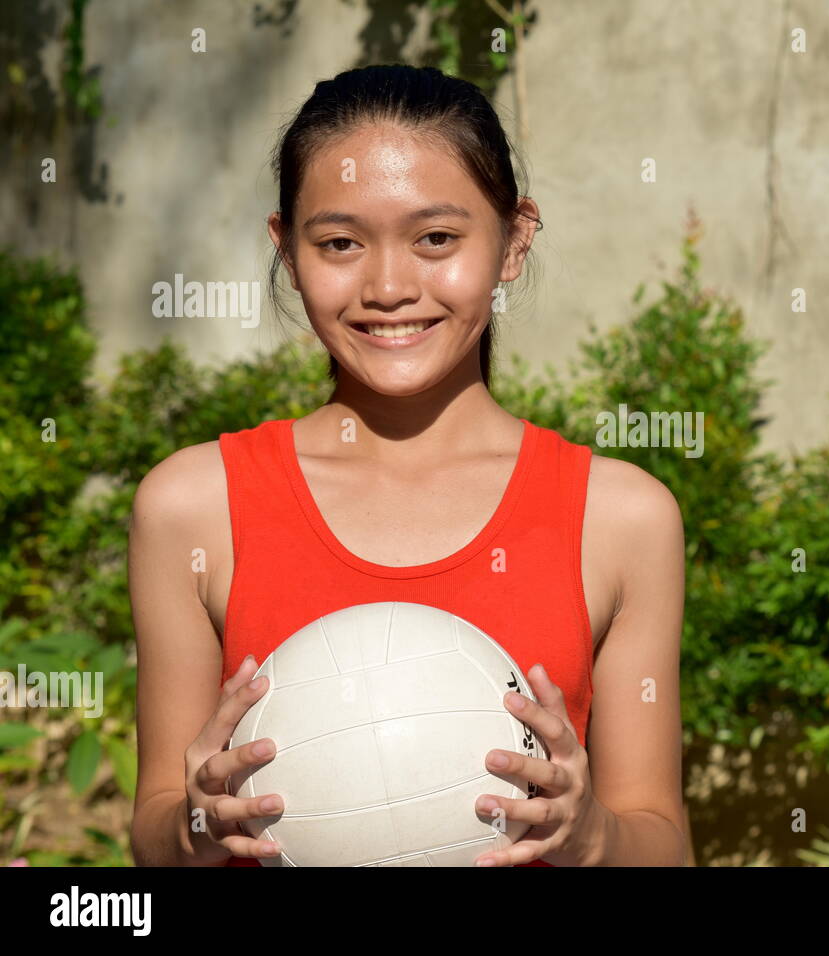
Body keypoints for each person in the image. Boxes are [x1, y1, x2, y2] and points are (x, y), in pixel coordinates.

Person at [128, 64, 687, 867]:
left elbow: (661, 840)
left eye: (436, 239)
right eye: (341, 243)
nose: (389, 287)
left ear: (514, 242)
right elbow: (155, 833)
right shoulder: (193, 506)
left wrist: (591, 832)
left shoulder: (620, 517)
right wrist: (199, 822)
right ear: (287, 251)